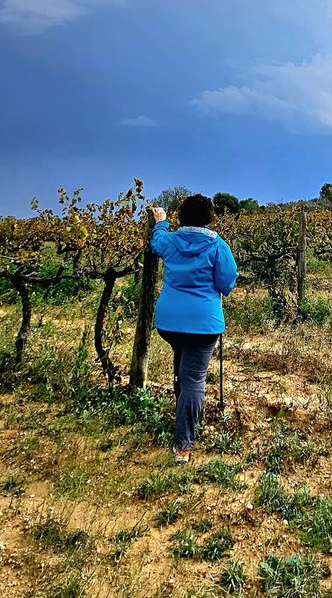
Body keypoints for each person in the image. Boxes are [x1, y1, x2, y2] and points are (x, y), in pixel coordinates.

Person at [150, 193, 239, 463]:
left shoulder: (170, 241)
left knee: (182, 371)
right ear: (210, 218)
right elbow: (227, 282)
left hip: (169, 322)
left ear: (182, 216)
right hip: (203, 323)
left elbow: (156, 243)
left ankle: (186, 417)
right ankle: (183, 445)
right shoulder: (217, 245)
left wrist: (161, 222)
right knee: (193, 380)